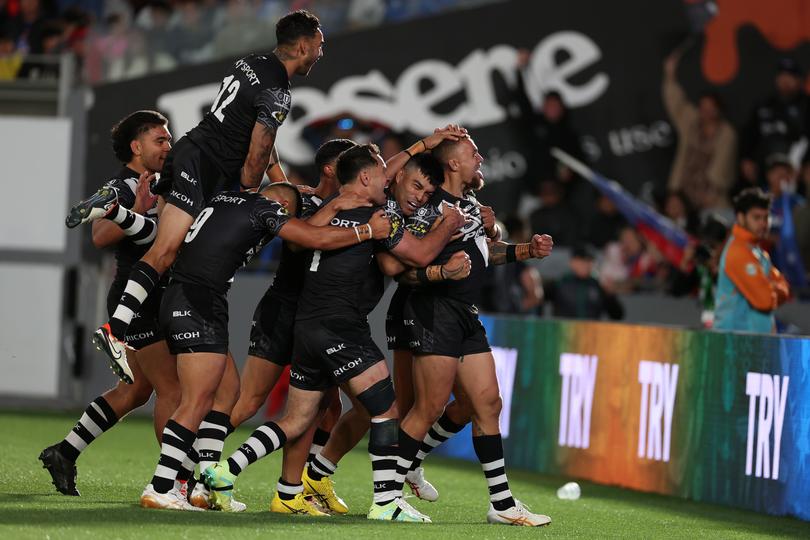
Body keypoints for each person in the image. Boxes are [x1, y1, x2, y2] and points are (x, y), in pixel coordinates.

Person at [202, 144, 466, 522]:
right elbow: (416, 257)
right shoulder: (377, 217)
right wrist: (448, 226)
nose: (387, 180)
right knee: (384, 409)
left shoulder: (327, 215)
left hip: (306, 329)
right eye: (381, 175)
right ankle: (386, 503)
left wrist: (338, 203)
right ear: (365, 178)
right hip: (340, 326)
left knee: (297, 419)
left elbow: (301, 239)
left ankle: (225, 470)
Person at [68, 10, 325, 384]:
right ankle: (116, 330)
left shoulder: (251, 61)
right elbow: (257, 154)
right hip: (206, 168)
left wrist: (281, 180)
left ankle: (114, 209)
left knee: (159, 239)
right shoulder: (279, 91)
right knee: (166, 250)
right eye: (319, 46)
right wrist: (250, 197)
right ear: (302, 46)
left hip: (190, 148)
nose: (321, 53)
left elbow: (260, 142)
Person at [140, 180, 391, 511]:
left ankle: (290, 488)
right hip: (282, 313)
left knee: (316, 407)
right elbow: (309, 238)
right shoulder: (300, 208)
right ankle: (190, 479)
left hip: (305, 318)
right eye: (372, 170)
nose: (377, 180)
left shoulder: (314, 203)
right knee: (246, 402)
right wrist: (367, 230)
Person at [395, 135, 553, 526]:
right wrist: (440, 273)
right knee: (428, 407)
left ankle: (501, 504)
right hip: (433, 309)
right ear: (452, 165)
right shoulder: (427, 208)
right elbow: (401, 271)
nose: (480, 157)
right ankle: (387, 496)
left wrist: (524, 251)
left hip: (465, 312)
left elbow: (485, 254)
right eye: (472, 154)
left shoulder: (471, 207)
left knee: (484, 405)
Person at [40, 110, 180, 497]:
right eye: (160, 139)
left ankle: (64, 452)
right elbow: (99, 236)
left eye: (168, 139)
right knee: (173, 390)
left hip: (152, 294)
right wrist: (132, 207)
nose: (168, 145)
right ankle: (172, 483)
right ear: (136, 147)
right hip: (137, 297)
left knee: (135, 391)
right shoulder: (122, 184)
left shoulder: (160, 180)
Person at [662, 49, 736, 212]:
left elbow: (722, 167)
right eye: (703, 108)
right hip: (683, 193)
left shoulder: (726, 133)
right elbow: (676, 104)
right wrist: (670, 75)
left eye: (711, 108)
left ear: (718, 109)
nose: (706, 112)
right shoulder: (691, 123)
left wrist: (711, 193)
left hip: (712, 197)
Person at [714, 188, 790, 333]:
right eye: (756, 218)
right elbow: (765, 301)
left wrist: (771, 288)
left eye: (766, 217)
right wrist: (773, 288)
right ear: (741, 218)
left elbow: (785, 288)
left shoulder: (759, 253)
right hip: (734, 346)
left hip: (752, 345)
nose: (763, 223)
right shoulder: (737, 252)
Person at [739, 58, 810, 187]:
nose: (785, 81)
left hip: (796, 168)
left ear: (799, 80)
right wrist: (746, 158)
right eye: (782, 76)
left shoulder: (806, 106)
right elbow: (749, 134)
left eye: (790, 76)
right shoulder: (764, 104)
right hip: (763, 169)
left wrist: (806, 164)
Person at [543, 244, 624, 320]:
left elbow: (617, 315)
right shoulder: (559, 283)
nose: (585, 264)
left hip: (590, 333)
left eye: (589, 260)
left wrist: (610, 295)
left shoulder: (599, 286)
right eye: (581, 260)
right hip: (564, 333)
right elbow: (538, 300)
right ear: (572, 262)